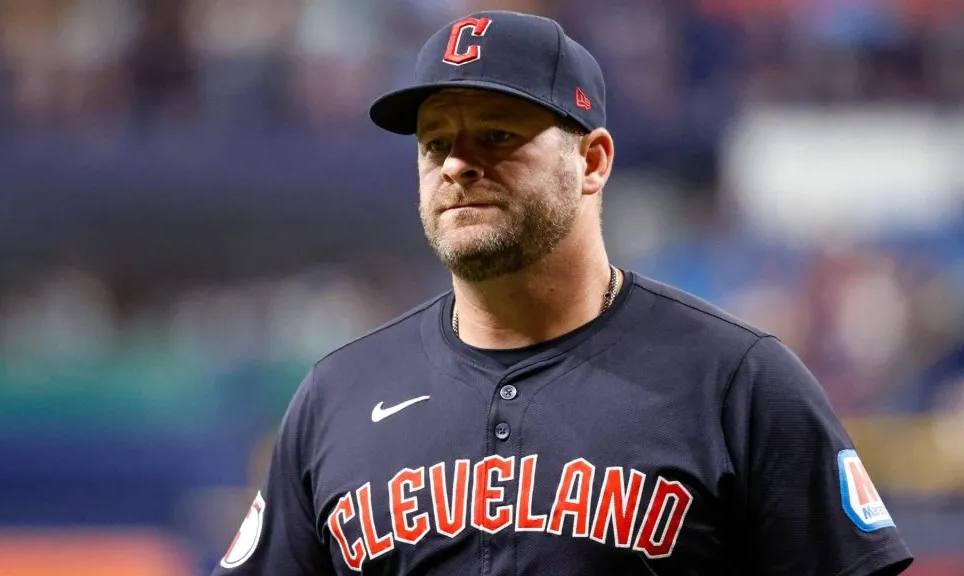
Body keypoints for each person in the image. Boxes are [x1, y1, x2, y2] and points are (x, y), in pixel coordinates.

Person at [211, 10, 914, 575]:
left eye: (495, 135)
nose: (456, 165)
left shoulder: (737, 381)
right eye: (435, 143)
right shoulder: (338, 395)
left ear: (593, 161)